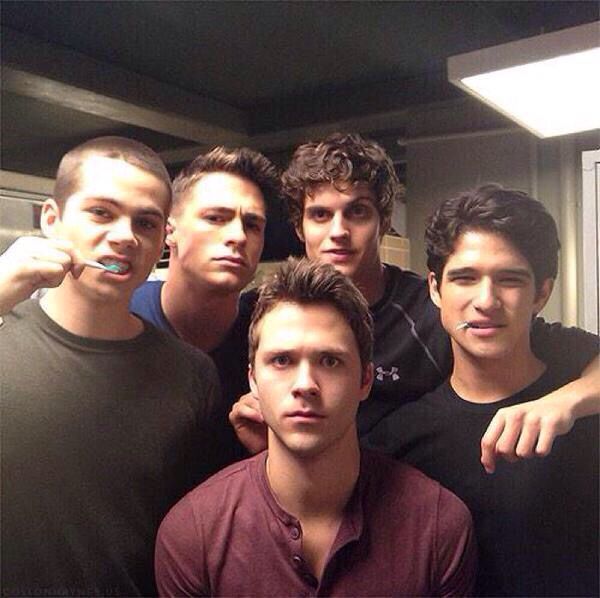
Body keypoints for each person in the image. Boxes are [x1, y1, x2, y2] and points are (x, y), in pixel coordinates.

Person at [230, 132, 599, 470]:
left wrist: (565, 401)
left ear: (385, 220)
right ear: (300, 227)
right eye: (320, 215)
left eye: (357, 212)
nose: (338, 232)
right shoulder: (260, 314)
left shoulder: (437, 308)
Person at [155, 258, 477, 597]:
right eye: (282, 361)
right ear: (252, 379)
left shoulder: (439, 526)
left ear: (365, 379)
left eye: (330, 361)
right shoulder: (193, 534)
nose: (305, 384)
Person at [0, 137, 222, 596]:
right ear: (52, 220)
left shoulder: (191, 375)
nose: (125, 235)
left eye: (145, 222)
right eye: (101, 212)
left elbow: (194, 532)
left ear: (162, 239)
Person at [365, 185, 599, 596]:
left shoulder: (584, 410)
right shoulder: (398, 440)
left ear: (541, 293)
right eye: (465, 278)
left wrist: (570, 400)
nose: (486, 301)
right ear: (436, 289)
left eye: (509, 280)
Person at [130, 146, 280, 463]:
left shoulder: (274, 342)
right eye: (215, 218)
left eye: (252, 225)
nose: (238, 236)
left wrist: (277, 453)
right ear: (169, 232)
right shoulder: (118, 315)